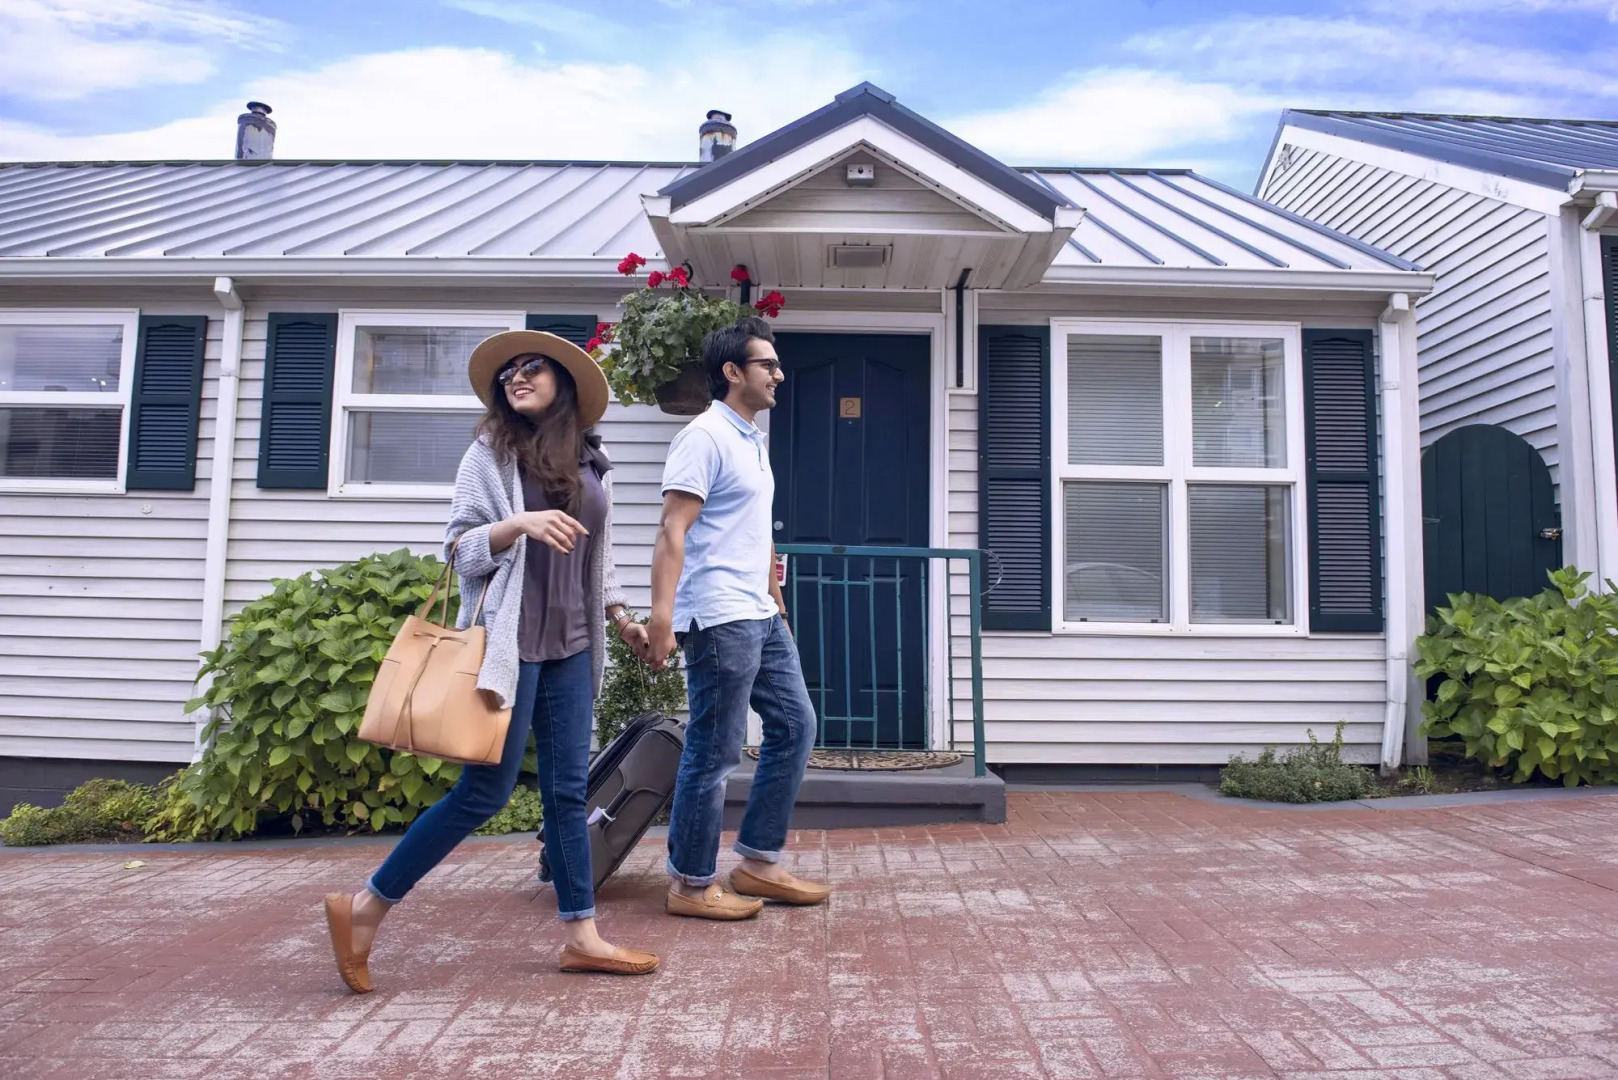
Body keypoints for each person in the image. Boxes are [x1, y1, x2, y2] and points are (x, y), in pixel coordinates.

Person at [323, 329, 659, 993]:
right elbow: (458, 549)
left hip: (572, 646)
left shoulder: (592, 459)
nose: (516, 377)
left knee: (567, 794)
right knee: (484, 793)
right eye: (508, 372)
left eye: (532, 367)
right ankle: (364, 908)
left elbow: (600, 555)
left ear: (564, 380)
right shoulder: (491, 455)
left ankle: (581, 936)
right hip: (511, 646)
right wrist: (517, 526)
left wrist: (622, 618)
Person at [646, 316, 831, 919]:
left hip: (759, 611)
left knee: (795, 726)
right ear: (732, 371)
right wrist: (662, 617)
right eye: (766, 365)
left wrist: (777, 599)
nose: (779, 375)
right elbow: (673, 529)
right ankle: (690, 883)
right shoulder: (703, 436)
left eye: (777, 364)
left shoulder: (751, 438)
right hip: (719, 615)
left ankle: (757, 863)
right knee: (715, 748)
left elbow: (754, 529)